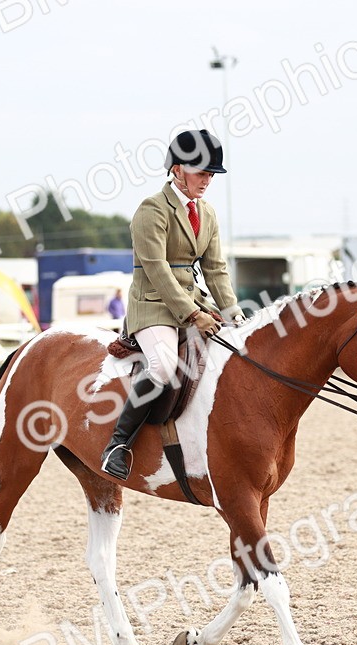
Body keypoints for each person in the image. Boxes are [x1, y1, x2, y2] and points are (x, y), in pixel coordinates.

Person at [100, 129, 244, 480]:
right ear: (177, 169)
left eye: (211, 174)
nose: (207, 180)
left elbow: (215, 269)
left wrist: (233, 313)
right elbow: (157, 271)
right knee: (163, 365)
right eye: (201, 172)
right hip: (152, 304)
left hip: (192, 301)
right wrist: (193, 315)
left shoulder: (207, 213)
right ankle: (117, 445)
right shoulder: (151, 210)